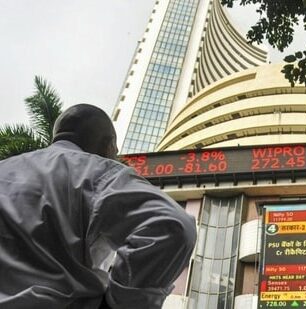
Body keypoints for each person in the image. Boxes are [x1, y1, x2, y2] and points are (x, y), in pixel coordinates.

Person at [0, 104, 197, 309]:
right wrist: (119, 304)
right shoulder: (97, 172)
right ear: (108, 145)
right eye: (116, 151)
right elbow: (173, 225)